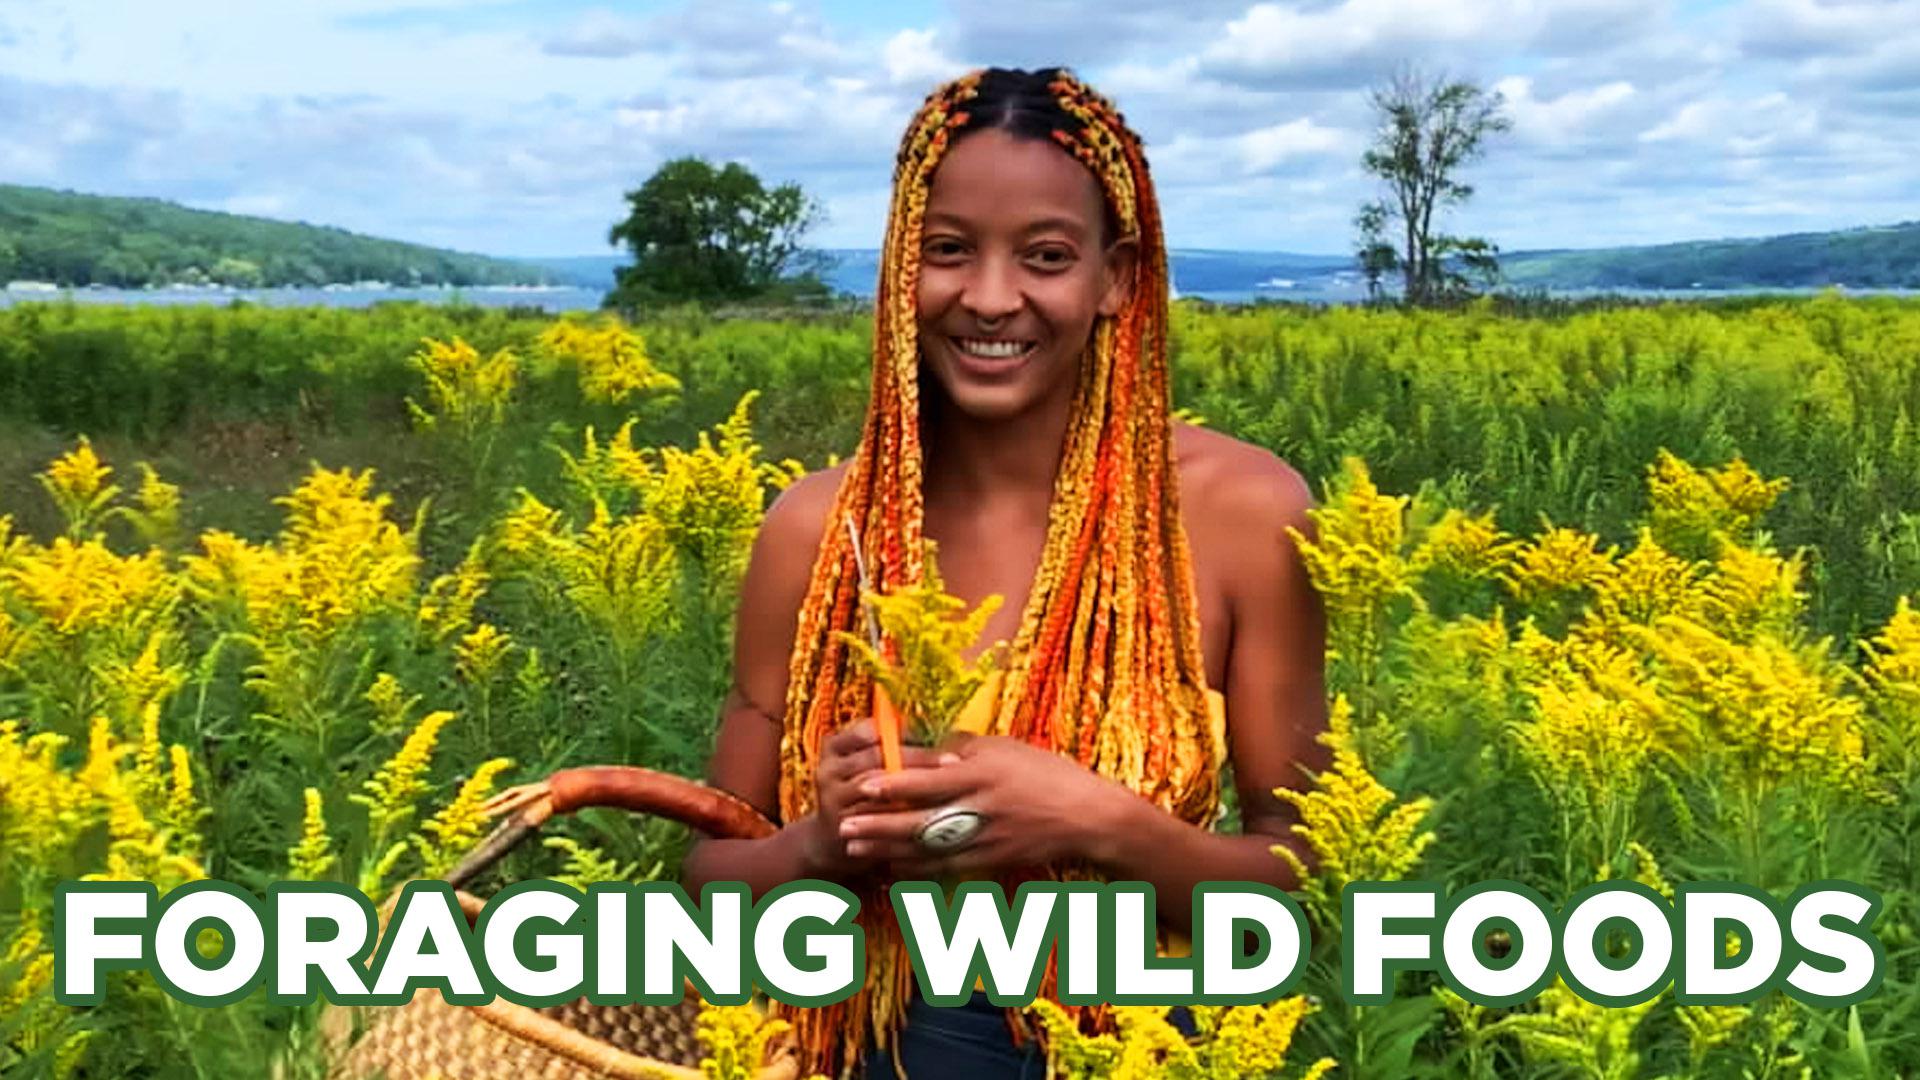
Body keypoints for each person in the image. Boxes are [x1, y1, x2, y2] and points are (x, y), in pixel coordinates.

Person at [681, 66, 1330, 1079]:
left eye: (1046, 256)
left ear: (1116, 277)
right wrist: (821, 843)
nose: (990, 297)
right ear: (903, 267)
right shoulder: (815, 533)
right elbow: (711, 871)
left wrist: (1099, 823)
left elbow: (1305, 891)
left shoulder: (1243, 516)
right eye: (948, 251)